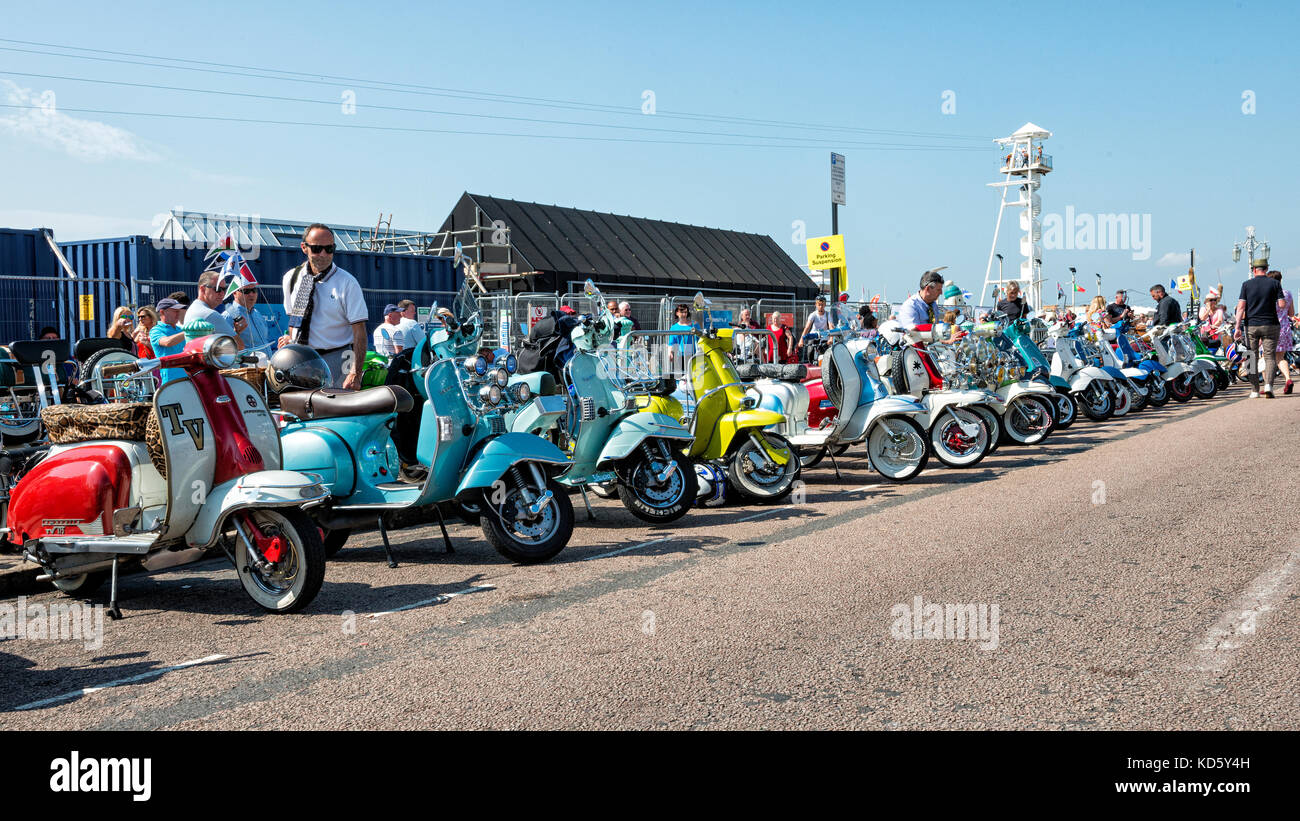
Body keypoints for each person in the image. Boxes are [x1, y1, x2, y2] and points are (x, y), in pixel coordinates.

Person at [278, 223, 368, 390]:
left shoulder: (347, 283)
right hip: (302, 360)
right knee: (302, 411)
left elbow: (359, 331)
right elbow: (293, 319)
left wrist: (355, 372)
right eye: (317, 249)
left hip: (340, 357)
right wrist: (291, 340)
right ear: (304, 248)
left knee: (337, 409)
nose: (324, 254)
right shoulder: (291, 278)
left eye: (329, 249)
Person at [1235, 259, 1287, 398]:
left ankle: (1254, 390)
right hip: (1270, 324)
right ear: (1266, 268)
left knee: (1251, 356)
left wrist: (1237, 327)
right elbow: (1282, 305)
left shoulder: (1246, 285)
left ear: (1254, 270)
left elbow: (1240, 308)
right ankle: (1269, 385)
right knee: (1270, 357)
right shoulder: (1275, 283)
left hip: (1251, 325)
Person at [185, 270, 247, 348]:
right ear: (203, 289)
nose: (222, 294)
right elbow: (239, 346)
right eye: (217, 289)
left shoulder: (193, 308)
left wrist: (236, 332)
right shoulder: (210, 314)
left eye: (224, 289)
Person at [224, 281, 277, 355]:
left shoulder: (257, 314)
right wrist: (236, 332)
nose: (251, 294)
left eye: (254, 290)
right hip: (246, 365)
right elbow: (223, 348)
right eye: (246, 291)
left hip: (266, 364)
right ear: (234, 293)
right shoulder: (228, 316)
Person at [149, 298, 188, 385]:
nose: (178, 313)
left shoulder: (180, 329)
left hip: (187, 378)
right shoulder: (156, 330)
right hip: (170, 382)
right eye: (175, 311)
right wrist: (189, 331)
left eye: (178, 311)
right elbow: (167, 342)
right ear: (162, 312)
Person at [1268, 270, 1294, 393]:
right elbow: (1292, 313)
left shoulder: (1268, 295)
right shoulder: (1287, 294)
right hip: (1284, 329)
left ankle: (1269, 386)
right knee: (1280, 358)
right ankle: (1288, 379)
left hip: (1270, 328)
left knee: (1266, 357)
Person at [667, 304, 697, 372]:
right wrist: (670, 353)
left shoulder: (694, 325)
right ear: (677, 313)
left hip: (693, 355)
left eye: (685, 312)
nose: (684, 314)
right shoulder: (673, 328)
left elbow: (700, 339)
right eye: (682, 312)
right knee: (681, 378)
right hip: (679, 356)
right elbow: (671, 342)